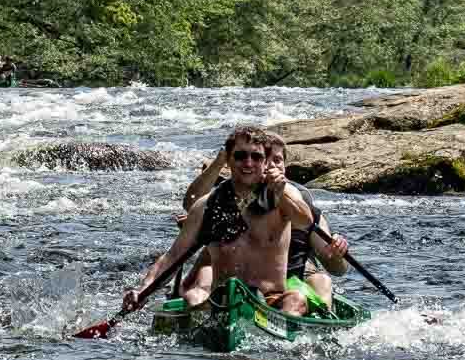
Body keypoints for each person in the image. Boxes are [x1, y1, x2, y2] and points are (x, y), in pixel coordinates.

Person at [124, 125, 317, 316]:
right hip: (223, 300)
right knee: (193, 298)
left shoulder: (282, 194)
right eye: (240, 156)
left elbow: (305, 222)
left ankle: (284, 329)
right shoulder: (206, 206)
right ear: (228, 160)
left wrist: (282, 193)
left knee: (296, 300)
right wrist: (142, 290)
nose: (248, 163)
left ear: (266, 162)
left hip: (270, 299)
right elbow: (172, 257)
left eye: (256, 157)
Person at [265, 133, 349, 308]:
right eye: (265, 159)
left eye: (277, 160)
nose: (271, 165)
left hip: (296, 278)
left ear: (284, 166)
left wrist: (336, 254)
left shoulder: (303, 202)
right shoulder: (236, 197)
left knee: (321, 281)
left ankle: (321, 316)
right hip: (254, 279)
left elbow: (338, 269)